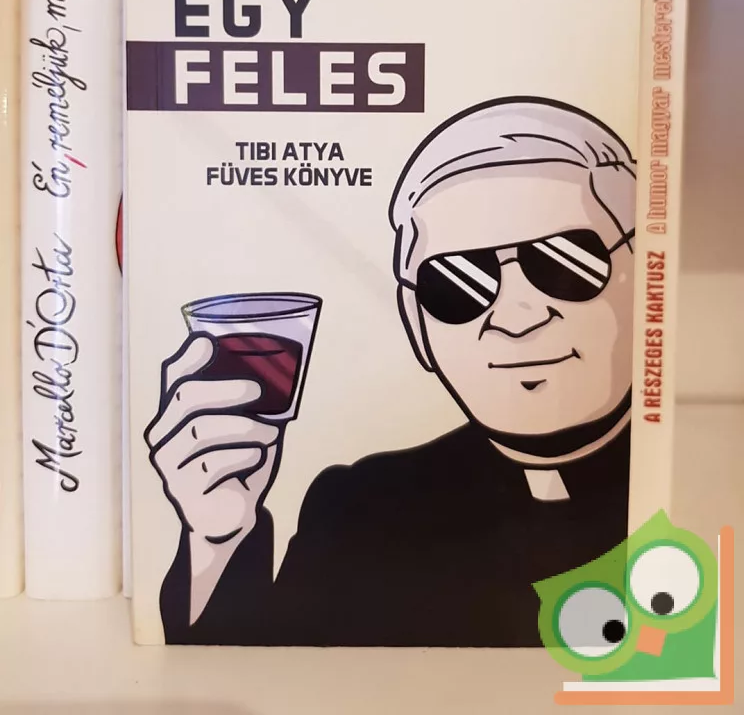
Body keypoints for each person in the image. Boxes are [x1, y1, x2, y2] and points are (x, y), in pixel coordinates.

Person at [146, 97, 636, 646]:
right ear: (415, 322)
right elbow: (253, 675)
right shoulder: (360, 508)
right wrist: (219, 541)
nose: (517, 317)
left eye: (568, 263)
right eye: (458, 284)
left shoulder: (687, 496)